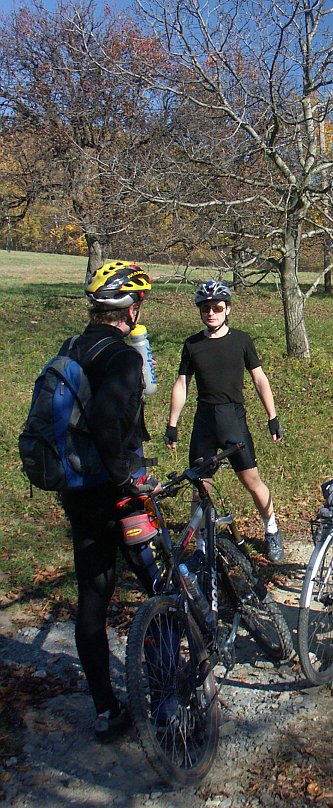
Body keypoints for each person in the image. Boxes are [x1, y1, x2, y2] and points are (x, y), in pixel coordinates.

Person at [60, 260, 158, 742]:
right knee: (157, 582)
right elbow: (103, 420)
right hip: (117, 495)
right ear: (132, 309)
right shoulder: (122, 358)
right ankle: (168, 698)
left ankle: (106, 710)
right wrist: (127, 481)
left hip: (77, 490)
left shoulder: (73, 346)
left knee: (93, 595)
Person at [164, 281, 285, 562]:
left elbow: (259, 379)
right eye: (205, 308)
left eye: (217, 308)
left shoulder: (241, 340)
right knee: (200, 488)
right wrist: (172, 425)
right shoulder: (192, 344)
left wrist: (273, 417)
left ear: (227, 309)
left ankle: (271, 529)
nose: (211, 313)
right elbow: (182, 384)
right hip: (204, 423)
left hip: (233, 420)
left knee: (252, 482)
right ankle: (202, 546)